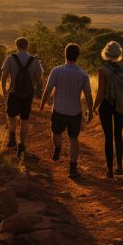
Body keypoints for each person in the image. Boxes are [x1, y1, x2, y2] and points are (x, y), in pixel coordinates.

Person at [39, 43, 93, 178]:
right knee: (73, 138)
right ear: (77, 56)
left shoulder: (56, 71)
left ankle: (57, 148)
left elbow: (48, 89)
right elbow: (88, 95)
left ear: (65, 54)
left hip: (58, 109)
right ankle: (72, 169)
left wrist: (42, 104)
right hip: (75, 112)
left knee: (56, 132)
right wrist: (91, 111)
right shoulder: (83, 75)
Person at [92, 41, 123, 178]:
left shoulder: (103, 70)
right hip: (121, 105)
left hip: (106, 106)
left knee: (108, 137)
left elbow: (101, 92)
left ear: (106, 54)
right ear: (119, 54)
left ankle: (109, 169)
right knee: (118, 135)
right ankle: (120, 167)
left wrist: (93, 107)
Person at [0, 37, 43, 156]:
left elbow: (4, 76)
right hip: (27, 95)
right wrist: (39, 90)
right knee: (24, 121)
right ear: (27, 46)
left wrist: (3, 89)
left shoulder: (10, 58)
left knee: (11, 115)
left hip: (13, 92)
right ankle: (22, 145)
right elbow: (40, 79)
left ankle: (12, 137)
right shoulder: (34, 60)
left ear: (16, 46)